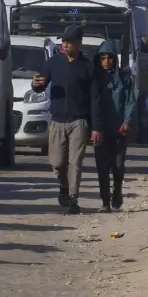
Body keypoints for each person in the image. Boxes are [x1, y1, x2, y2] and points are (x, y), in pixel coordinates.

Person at [31, 24, 99, 214]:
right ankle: (63, 186)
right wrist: (35, 84)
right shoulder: (53, 63)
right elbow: (40, 85)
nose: (65, 44)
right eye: (64, 41)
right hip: (57, 120)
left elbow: (95, 98)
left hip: (79, 121)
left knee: (75, 162)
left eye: (69, 41)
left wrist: (96, 127)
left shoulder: (87, 66)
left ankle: (73, 198)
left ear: (79, 43)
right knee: (57, 163)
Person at [91, 40, 137, 213]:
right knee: (102, 167)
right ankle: (105, 201)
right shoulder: (95, 79)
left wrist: (126, 122)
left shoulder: (124, 78)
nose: (106, 61)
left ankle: (116, 194)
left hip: (119, 130)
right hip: (101, 130)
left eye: (109, 58)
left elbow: (130, 102)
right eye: (102, 58)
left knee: (117, 166)